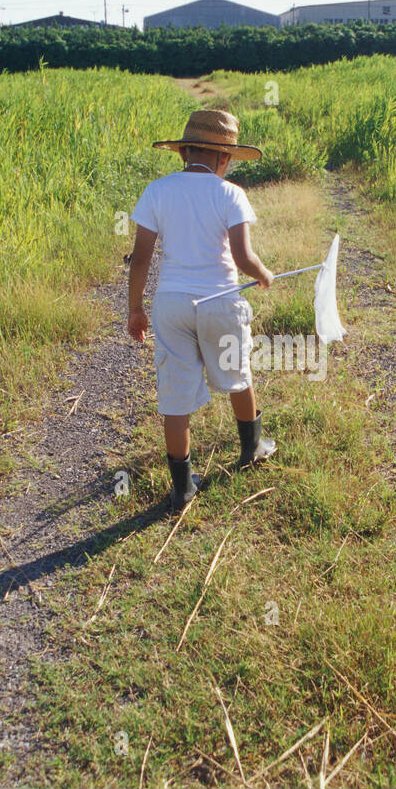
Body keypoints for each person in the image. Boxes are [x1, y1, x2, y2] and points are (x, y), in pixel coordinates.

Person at [127, 109, 278, 510]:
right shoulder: (231, 194)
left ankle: (182, 488)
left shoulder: (157, 190)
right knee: (238, 373)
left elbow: (140, 258)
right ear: (224, 158)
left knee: (174, 396)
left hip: (172, 304)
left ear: (184, 153)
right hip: (221, 302)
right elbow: (242, 257)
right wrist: (262, 273)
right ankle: (252, 448)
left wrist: (135, 309)